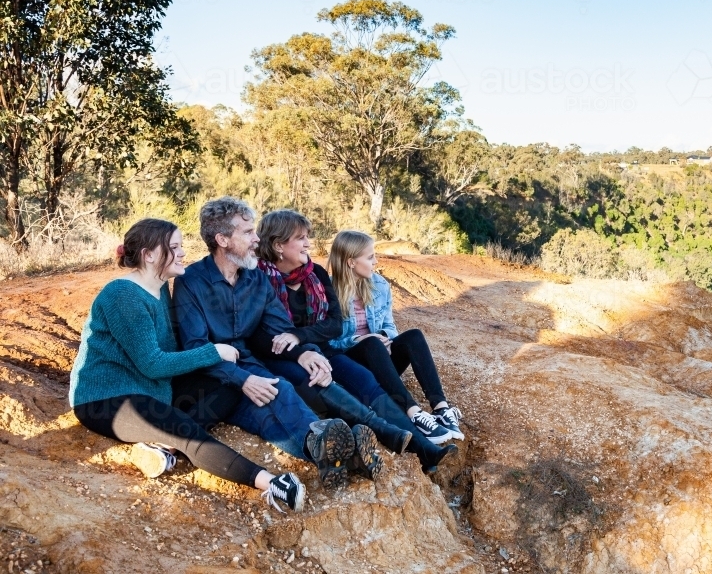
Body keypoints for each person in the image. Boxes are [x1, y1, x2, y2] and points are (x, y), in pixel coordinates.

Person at [69, 218, 306, 512]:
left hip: (151, 389)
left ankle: (162, 446)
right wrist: (213, 351)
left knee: (228, 385)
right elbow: (153, 364)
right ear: (149, 254)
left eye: (181, 246)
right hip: (107, 400)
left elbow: (168, 356)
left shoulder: (160, 289)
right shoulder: (123, 294)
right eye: (174, 247)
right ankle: (273, 484)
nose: (183, 253)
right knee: (183, 428)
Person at [172, 197, 402, 485]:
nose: (257, 239)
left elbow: (280, 325)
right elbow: (195, 348)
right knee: (267, 402)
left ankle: (336, 455)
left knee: (283, 391)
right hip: (210, 376)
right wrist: (242, 380)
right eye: (247, 232)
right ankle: (345, 456)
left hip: (249, 365)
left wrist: (304, 352)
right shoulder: (191, 281)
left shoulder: (255, 278)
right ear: (222, 240)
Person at [252, 209, 458, 473]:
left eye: (308, 236)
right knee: (338, 392)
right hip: (286, 358)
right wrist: (299, 348)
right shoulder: (258, 279)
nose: (309, 243)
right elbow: (258, 334)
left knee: (368, 383)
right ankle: (399, 442)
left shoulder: (315, 274)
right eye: (300, 238)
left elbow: (334, 324)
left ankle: (425, 449)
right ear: (279, 245)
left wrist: (299, 335)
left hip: (324, 351)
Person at [325, 230, 465, 444]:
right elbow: (325, 342)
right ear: (351, 262)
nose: (376, 261)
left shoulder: (380, 286)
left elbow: (390, 326)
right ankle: (414, 414)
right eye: (370, 257)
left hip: (382, 361)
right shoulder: (326, 292)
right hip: (351, 369)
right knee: (371, 343)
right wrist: (358, 340)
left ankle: (441, 408)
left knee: (414, 337)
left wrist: (384, 336)